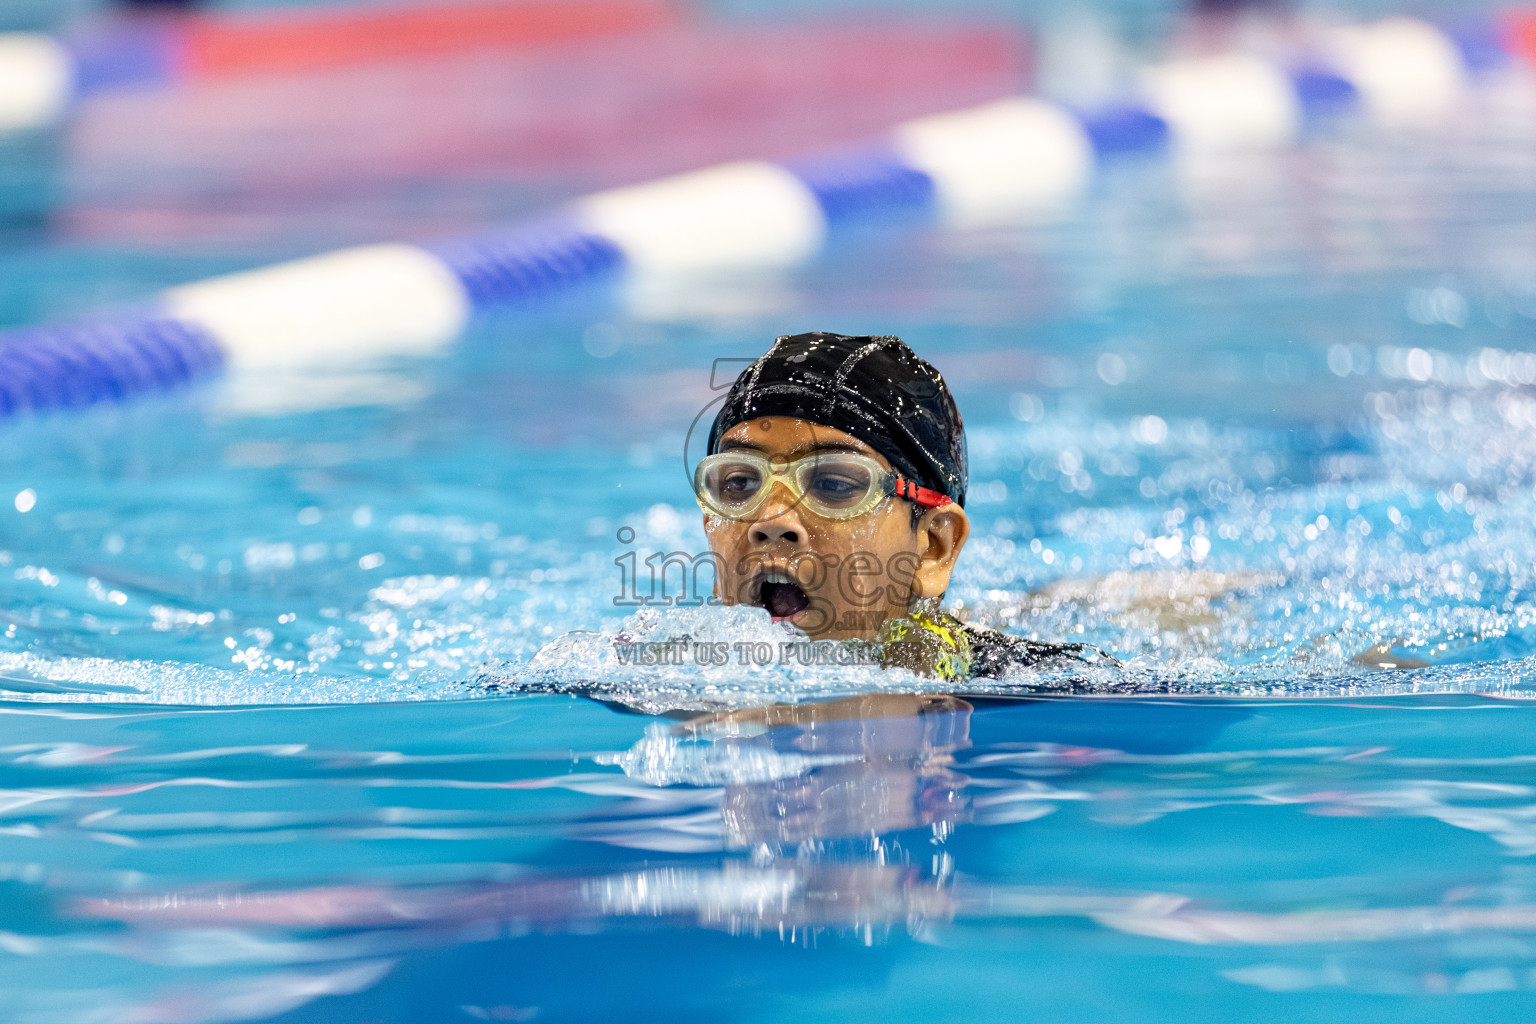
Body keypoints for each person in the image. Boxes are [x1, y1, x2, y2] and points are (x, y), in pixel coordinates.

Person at [696, 331, 1109, 682]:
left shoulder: (1039, 684)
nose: (769, 521)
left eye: (834, 484)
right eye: (741, 483)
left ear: (933, 547)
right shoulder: (667, 667)